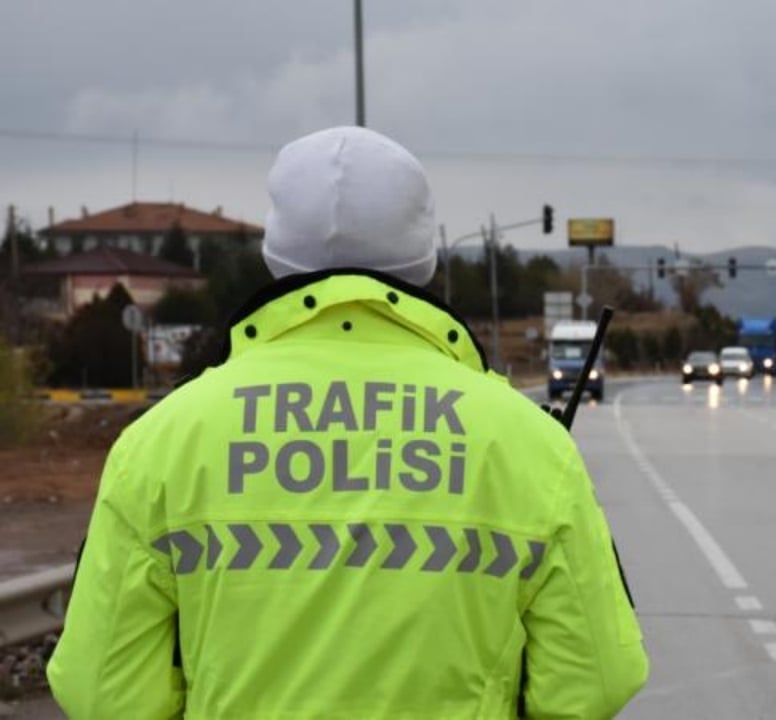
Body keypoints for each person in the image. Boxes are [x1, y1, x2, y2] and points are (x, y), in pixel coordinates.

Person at [47, 126, 649, 719]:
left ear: (274, 252)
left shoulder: (162, 442)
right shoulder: (528, 444)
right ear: (425, 254)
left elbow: (102, 692)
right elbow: (595, 680)